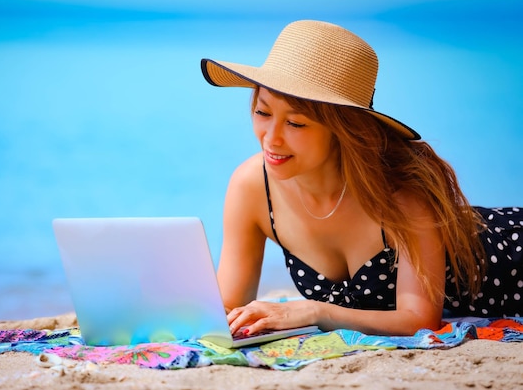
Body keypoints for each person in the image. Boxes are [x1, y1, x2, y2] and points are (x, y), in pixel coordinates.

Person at [200, 20, 522, 336]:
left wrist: (313, 311)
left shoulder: (400, 193)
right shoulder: (252, 186)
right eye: (263, 112)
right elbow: (228, 308)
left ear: (343, 130)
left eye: (296, 123)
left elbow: (419, 320)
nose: (271, 138)